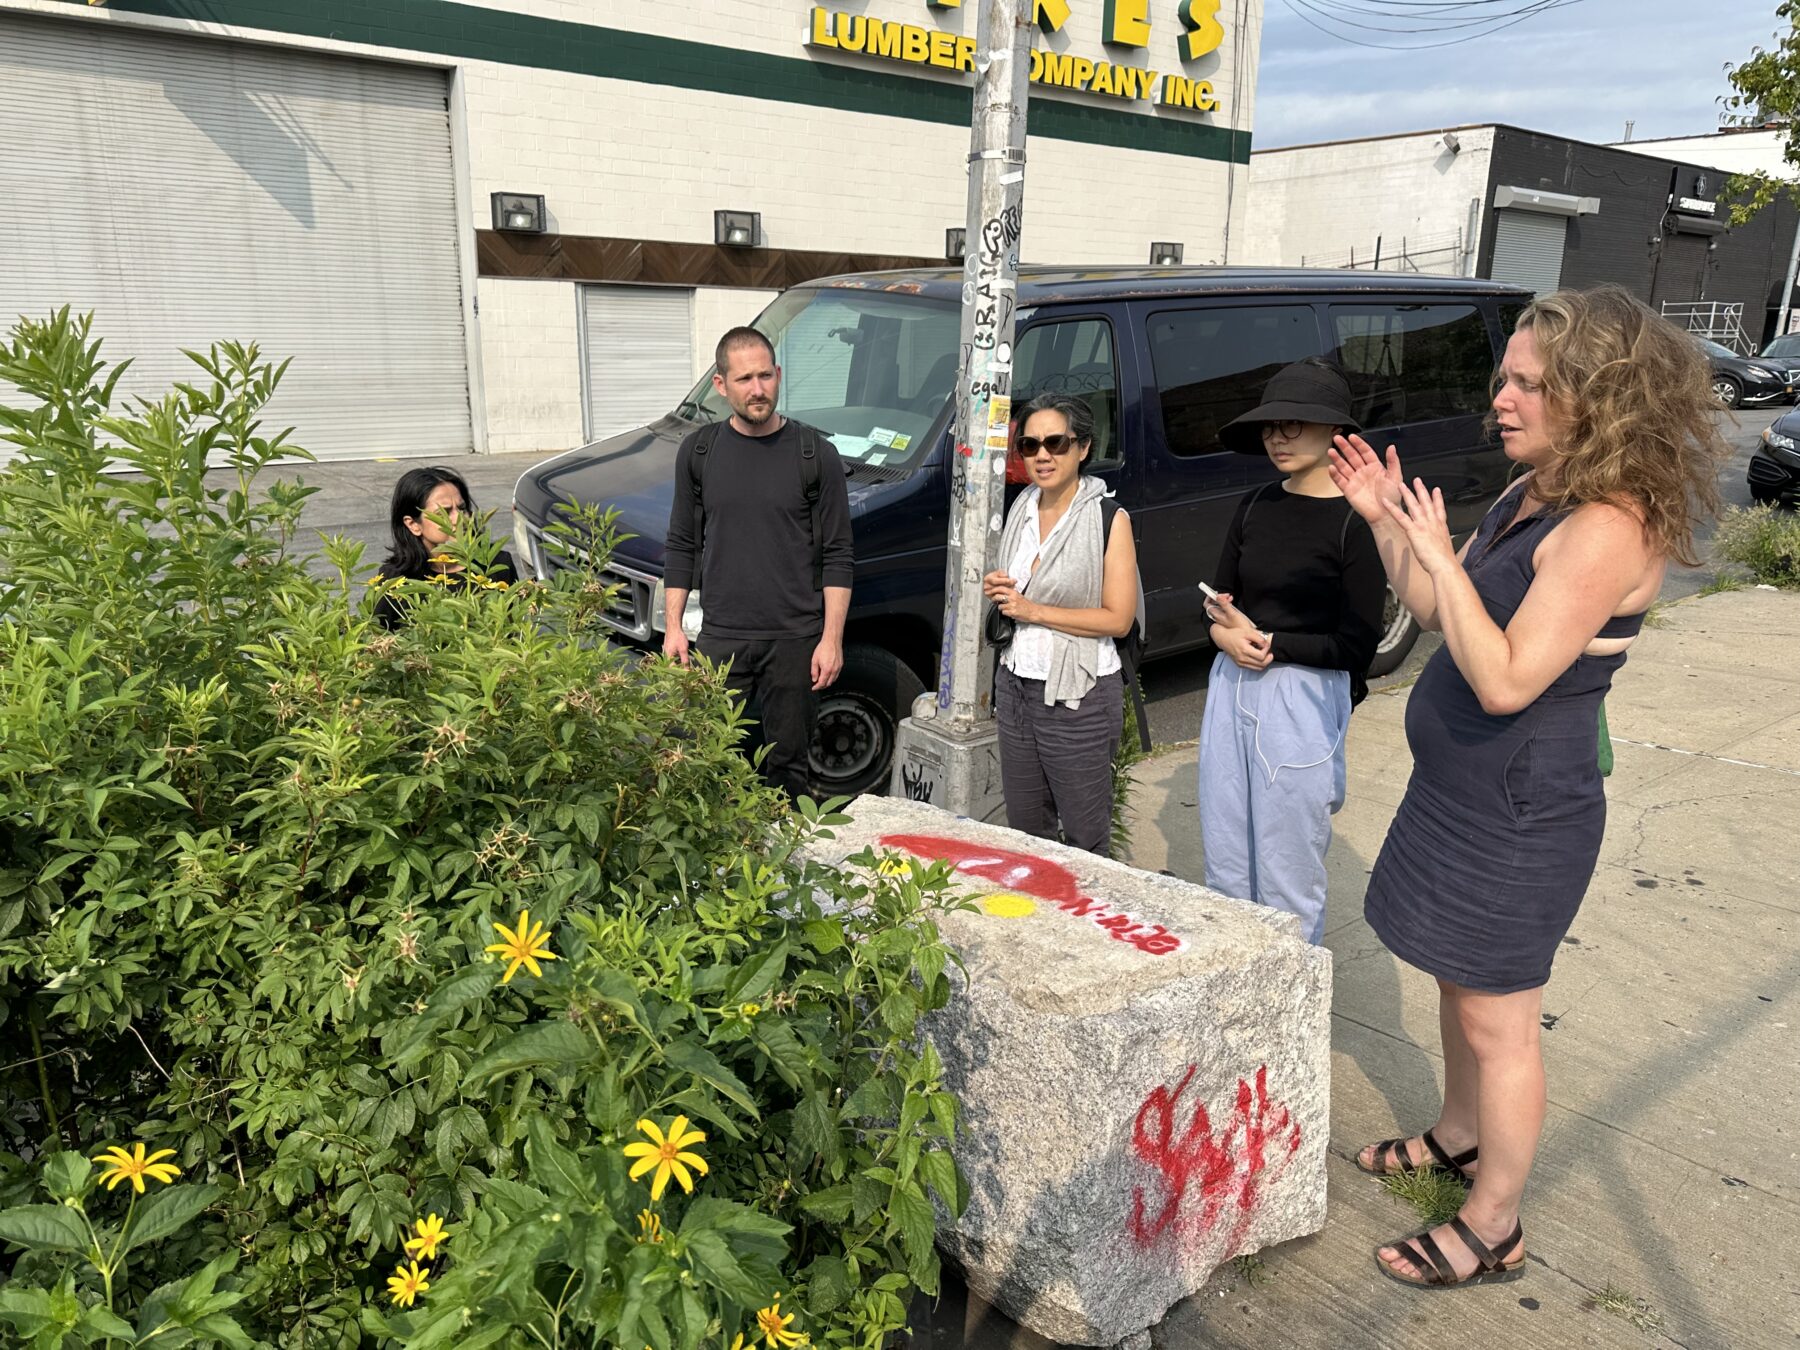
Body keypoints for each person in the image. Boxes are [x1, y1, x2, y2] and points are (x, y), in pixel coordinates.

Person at [1332, 285, 1725, 1289]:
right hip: (1458, 798)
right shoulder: (1530, 494)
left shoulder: (1606, 525)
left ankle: (1495, 1222)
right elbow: (1434, 607)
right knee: (1457, 989)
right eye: (1504, 378)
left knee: (1499, 1021)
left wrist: (1433, 553)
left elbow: (1506, 678)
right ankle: (1460, 1135)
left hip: (1520, 814)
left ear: (1598, 398)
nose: (1500, 399)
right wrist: (1386, 525)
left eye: (1529, 384)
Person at [1197, 359, 1385, 944]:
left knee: (1287, 866)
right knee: (1226, 850)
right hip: (1231, 682)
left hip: (1303, 695)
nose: (1278, 437)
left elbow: (1358, 645)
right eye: (1270, 425)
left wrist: (1274, 645)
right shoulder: (1255, 504)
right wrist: (1225, 634)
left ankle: (1290, 1006)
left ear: (1334, 432)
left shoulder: (1358, 521)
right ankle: (1231, 994)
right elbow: (1217, 601)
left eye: (1295, 424)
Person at [663, 327, 854, 800]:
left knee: (787, 770)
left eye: (765, 376)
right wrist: (673, 628)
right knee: (714, 761)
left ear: (779, 375)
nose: (758, 389)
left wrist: (832, 639)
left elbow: (838, 554)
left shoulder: (816, 456)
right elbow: (682, 544)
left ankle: (780, 870)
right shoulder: (699, 453)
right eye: (744, 378)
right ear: (721, 385)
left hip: (795, 641)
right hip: (722, 637)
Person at [983, 393, 1143, 857]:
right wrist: (1000, 588)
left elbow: (1118, 617)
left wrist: (1033, 610)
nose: (1042, 456)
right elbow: (1016, 592)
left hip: (1078, 692)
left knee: (1084, 834)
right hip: (1015, 684)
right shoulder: (1021, 509)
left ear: (1083, 448)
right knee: (1026, 826)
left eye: (1055, 443)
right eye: (1029, 446)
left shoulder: (1108, 518)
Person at [374, 466, 517, 630]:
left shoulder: (496, 564)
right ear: (413, 524)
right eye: (444, 512)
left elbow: (513, 632)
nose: (460, 519)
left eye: (462, 508)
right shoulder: (396, 580)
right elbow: (377, 640)